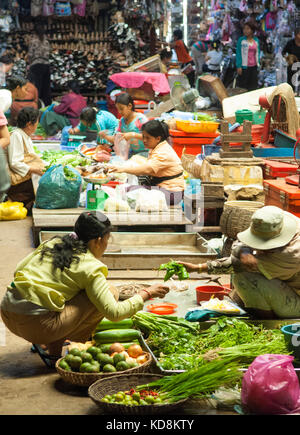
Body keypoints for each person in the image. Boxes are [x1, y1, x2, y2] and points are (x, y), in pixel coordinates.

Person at [0, 211, 170, 367]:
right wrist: (146, 293)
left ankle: (46, 339)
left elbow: (19, 270)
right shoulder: (91, 267)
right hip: (35, 326)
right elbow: (114, 313)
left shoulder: (54, 242)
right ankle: (53, 350)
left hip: (8, 314)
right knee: (110, 293)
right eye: (107, 239)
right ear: (97, 240)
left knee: (78, 290)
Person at [179, 206, 300, 319]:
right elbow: (239, 245)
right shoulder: (282, 220)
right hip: (287, 284)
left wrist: (198, 268)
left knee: (244, 279)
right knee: (241, 295)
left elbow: (237, 263)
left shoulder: (291, 254)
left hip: (296, 300)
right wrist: (245, 251)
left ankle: (266, 323)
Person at [108, 119, 185, 206]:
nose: (144, 140)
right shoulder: (159, 143)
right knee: (127, 189)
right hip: (162, 189)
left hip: (172, 193)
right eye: (143, 137)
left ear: (158, 138)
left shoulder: (163, 152)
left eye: (147, 138)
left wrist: (122, 169)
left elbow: (147, 170)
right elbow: (147, 137)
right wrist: (132, 135)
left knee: (129, 191)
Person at [6, 107, 45, 212]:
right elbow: (14, 163)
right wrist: (34, 169)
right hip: (18, 184)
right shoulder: (16, 136)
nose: (37, 125)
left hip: (25, 180)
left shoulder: (25, 136)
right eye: (36, 122)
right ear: (29, 124)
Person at [99, 93, 148, 158]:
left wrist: (133, 135)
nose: (119, 112)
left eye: (121, 109)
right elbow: (116, 139)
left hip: (145, 153)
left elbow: (150, 137)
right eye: (118, 109)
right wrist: (105, 136)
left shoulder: (141, 119)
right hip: (131, 153)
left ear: (129, 106)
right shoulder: (122, 121)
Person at [27, 21, 51, 106]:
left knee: (36, 86)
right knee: (46, 87)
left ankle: (36, 105)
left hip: (36, 65)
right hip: (46, 65)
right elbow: (48, 54)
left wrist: (29, 63)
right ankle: (46, 105)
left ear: (35, 32)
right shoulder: (46, 42)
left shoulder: (33, 41)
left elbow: (30, 55)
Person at [236, 22, 260, 91]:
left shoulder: (256, 40)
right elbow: (238, 53)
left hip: (254, 67)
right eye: (244, 29)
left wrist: (259, 63)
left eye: (248, 29)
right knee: (243, 87)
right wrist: (239, 66)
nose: (245, 31)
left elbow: (257, 52)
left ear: (252, 30)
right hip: (244, 67)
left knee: (253, 86)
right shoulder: (241, 40)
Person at [282, 28, 300, 94]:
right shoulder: (290, 43)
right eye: (299, 34)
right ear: (295, 35)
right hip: (292, 66)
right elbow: (283, 52)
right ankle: (291, 93)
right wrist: (288, 58)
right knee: (290, 82)